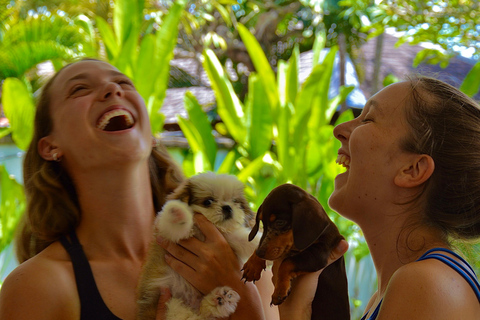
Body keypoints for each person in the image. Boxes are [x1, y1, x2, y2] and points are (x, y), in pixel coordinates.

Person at [0, 59, 340, 320]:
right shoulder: (38, 286)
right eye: (79, 89)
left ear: (149, 134)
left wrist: (246, 304)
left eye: (123, 83)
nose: (112, 91)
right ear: (50, 146)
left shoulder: (231, 251)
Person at [327, 75, 480, 319]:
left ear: (412, 170)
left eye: (367, 120)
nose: (339, 130)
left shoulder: (426, 284)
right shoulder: (389, 293)